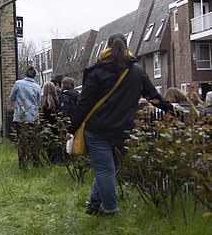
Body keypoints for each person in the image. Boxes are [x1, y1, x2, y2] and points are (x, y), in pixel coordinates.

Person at [70, 33, 173, 216]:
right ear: (127, 47)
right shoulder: (137, 71)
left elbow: (84, 103)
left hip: (97, 128)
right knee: (110, 169)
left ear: (107, 47)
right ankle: (94, 203)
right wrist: (169, 109)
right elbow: (152, 96)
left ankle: (110, 210)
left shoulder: (97, 71)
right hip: (124, 128)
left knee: (104, 169)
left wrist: (72, 127)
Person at [9, 66, 42, 169]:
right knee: (33, 141)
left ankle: (22, 163)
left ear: (25, 73)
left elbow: (11, 98)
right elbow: (38, 102)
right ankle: (36, 161)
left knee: (21, 141)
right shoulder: (37, 87)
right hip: (32, 116)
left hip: (20, 116)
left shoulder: (18, 83)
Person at [40, 81, 62, 163]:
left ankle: (51, 159)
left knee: (49, 144)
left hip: (47, 128)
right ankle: (58, 159)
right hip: (56, 127)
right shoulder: (58, 101)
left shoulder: (43, 104)